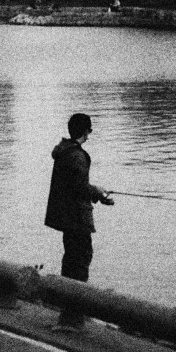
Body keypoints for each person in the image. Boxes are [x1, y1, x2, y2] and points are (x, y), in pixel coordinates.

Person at [44, 112, 114, 328]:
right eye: (90, 131)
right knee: (81, 260)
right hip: (77, 218)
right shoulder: (77, 156)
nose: (90, 135)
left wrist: (96, 194)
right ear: (85, 131)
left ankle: (69, 310)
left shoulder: (64, 151)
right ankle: (74, 315)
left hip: (67, 217)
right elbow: (79, 187)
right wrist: (98, 193)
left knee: (71, 260)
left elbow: (74, 186)